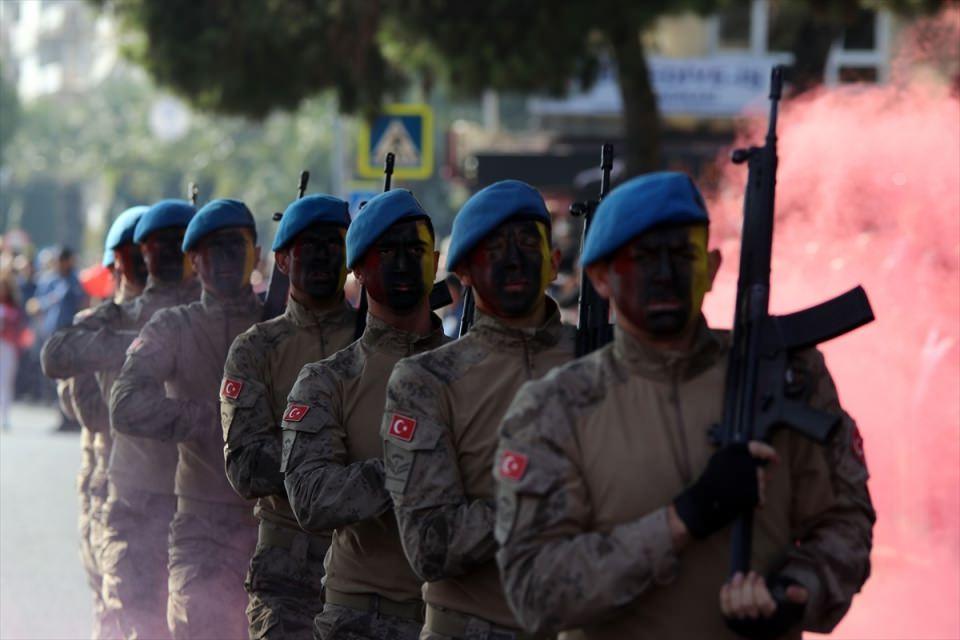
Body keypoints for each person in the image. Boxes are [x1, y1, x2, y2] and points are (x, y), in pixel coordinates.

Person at [493, 172, 875, 639]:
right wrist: (684, 518)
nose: (666, 276)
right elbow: (536, 592)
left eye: (683, 255)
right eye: (644, 259)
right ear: (599, 277)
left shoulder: (787, 377)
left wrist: (797, 591)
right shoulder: (554, 409)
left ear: (712, 268)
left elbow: (845, 520)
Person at [381, 180, 574, 640]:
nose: (513, 258)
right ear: (463, 270)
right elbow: (430, 544)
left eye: (529, 242)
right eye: (494, 246)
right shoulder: (425, 381)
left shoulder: (601, 361)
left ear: (555, 264)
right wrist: (542, 499)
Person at [281, 189, 447, 640]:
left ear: (435, 259)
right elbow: (312, 499)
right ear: (357, 267)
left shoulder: (476, 371)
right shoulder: (328, 381)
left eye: (414, 251)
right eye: (385, 251)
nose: (402, 263)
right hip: (363, 619)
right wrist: (410, 467)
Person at [110, 199, 262, 639]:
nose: (228, 260)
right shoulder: (173, 326)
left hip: (277, 526)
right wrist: (210, 419)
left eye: (238, 247)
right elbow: (127, 403)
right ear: (194, 261)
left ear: (256, 252)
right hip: (203, 524)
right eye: (214, 250)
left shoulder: (278, 326)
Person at [221, 194, 357, 639]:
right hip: (288, 571)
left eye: (334, 244)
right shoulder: (257, 348)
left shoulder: (377, 342)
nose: (321, 257)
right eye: (307, 246)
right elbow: (246, 465)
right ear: (282, 261)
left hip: (369, 570)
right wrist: (332, 453)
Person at [91, 199, 200, 640]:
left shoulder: (214, 319)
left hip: (202, 500)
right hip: (137, 493)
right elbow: (100, 410)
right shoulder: (109, 323)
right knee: (132, 616)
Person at [41, 205, 150, 639]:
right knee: (115, 607)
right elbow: (88, 413)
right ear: (116, 264)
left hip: (167, 490)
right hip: (111, 487)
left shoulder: (185, 321)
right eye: (135, 253)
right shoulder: (92, 330)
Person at [34, 246, 88, 430]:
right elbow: (37, 303)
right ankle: (62, 415)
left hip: (70, 333)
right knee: (54, 376)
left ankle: (71, 417)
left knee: (70, 376)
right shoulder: (49, 281)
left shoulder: (75, 281)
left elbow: (83, 302)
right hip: (52, 333)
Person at [0, 269, 23, 431]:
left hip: (7, 346)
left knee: (6, 382)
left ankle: (5, 416)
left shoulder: (13, 307)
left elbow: (19, 327)